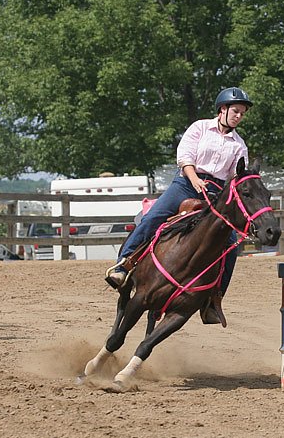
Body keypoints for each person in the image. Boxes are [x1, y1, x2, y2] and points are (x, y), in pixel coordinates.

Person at [106, 86, 253, 321]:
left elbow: (237, 178)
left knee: (231, 244)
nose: (239, 116)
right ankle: (123, 265)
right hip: (185, 183)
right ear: (222, 109)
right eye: (236, 111)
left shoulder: (239, 145)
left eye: (242, 113)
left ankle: (213, 301)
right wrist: (195, 180)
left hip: (214, 193)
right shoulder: (200, 128)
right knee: (153, 217)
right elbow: (185, 155)